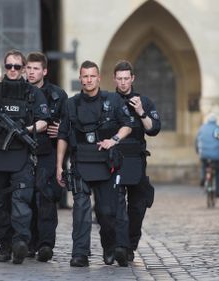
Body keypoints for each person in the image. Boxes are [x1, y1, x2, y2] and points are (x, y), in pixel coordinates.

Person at [0, 49, 49, 265]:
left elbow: (44, 121)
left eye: (16, 66)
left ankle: (20, 242)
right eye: (9, 66)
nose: (12, 70)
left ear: (23, 68)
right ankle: (5, 244)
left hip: (22, 155)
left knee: (21, 201)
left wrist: (27, 129)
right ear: (5, 67)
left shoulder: (33, 93)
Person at [56, 60, 132, 267]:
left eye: (92, 76)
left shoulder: (113, 99)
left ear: (98, 78)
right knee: (80, 209)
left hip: (106, 164)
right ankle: (79, 253)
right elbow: (63, 136)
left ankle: (109, 247)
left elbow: (128, 125)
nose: (88, 80)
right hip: (81, 163)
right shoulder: (71, 104)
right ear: (80, 79)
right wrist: (59, 166)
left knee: (106, 212)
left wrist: (114, 140)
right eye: (85, 76)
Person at [113, 60, 161, 262]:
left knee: (137, 206)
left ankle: (130, 244)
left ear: (132, 78)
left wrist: (141, 111)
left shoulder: (145, 101)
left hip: (136, 160)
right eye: (119, 79)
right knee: (115, 206)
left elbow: (153, 129)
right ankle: (120, 247)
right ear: (114, 79)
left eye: (126, 78)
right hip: (114, 160)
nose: (123, 83)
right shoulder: (108, 100)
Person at [25, 52, 68, 262]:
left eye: (35, 69)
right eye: (29, 68)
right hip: (23, 154)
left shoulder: (58, 95)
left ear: (44, 71)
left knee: (46, 199)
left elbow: (69, 125)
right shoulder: (19, 92)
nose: (31, 72)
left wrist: (62, 129)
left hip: (48, 153)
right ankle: (29, 243)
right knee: (26, 199)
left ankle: (45, 245)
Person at [196, 115, 219, 198]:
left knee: (203, 166)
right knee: (218, 172)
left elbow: (196, 141)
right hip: (216, 156)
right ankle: (218, 192)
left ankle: (203, 178)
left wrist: (198, 150)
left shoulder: (202, 128)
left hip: (204, 155)